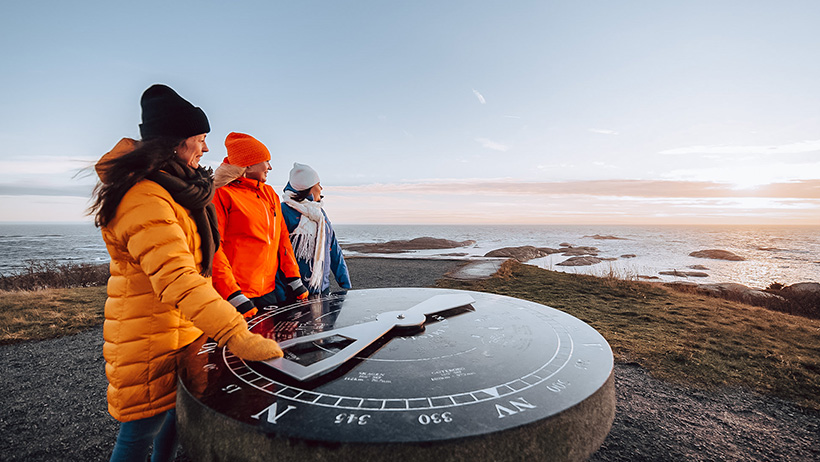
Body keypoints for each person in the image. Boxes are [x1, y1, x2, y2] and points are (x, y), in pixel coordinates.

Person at [90, 84, 283, 462]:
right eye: (201, 139)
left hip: (181, 330)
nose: (207, 148)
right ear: (177, 143)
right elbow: (178, 276)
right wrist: (234, 333)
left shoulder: (174, 185)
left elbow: (190, 216)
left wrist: (218, 181)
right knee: (138, 433)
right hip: (148, 337)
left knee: (174, 421)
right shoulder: (141, 196)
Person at [210, 132, 308, 317]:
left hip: (268, 291)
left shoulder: (270, 194)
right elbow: (214, 247)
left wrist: (294, 278)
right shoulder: (222, 194)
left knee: (269, 343)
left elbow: (282, 239)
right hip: (234, 295)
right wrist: (232, 294)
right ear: (248, 164)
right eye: (266, 161)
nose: (269, 167)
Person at [274, 162, 352, 300]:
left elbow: (333, 248)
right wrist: (280, 295)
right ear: (308, 187)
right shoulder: (283, 212)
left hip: (321, 288)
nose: (321, 188)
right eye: (318, 184)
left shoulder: (320, 214)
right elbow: (275, 255)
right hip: (292, 293)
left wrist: (345, 283)